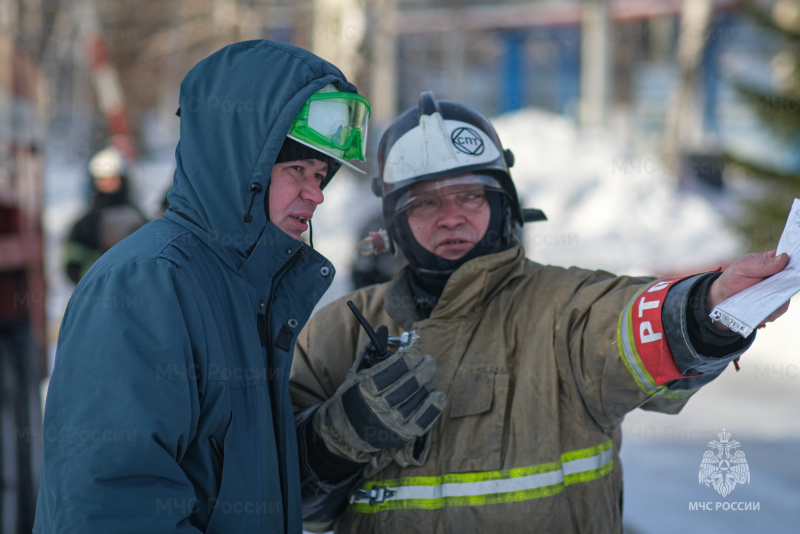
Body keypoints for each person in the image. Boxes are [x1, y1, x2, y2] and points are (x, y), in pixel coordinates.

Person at [289, 91, 791, 533]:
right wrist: (339, 435)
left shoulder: (562, 306)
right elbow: (279, 504)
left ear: (505, 204)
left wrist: (707, 308)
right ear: (393, 224)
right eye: (423, 204)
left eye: (470, 195)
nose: (451, 217)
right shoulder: (334, 335)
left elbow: (624, 325)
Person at [34, 39, 370, 533]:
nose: (316, 193)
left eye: (321, 174)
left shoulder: (249, 290)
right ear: (240, 162)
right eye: (296, 168)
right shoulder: (149, 282)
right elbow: (113, 509)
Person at [62, 144, 148, 284]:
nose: (108, 184)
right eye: (103, 180)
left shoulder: (138, 218)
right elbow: (72, 267)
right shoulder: (85, 224)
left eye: (113, 179)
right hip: (99, 295)